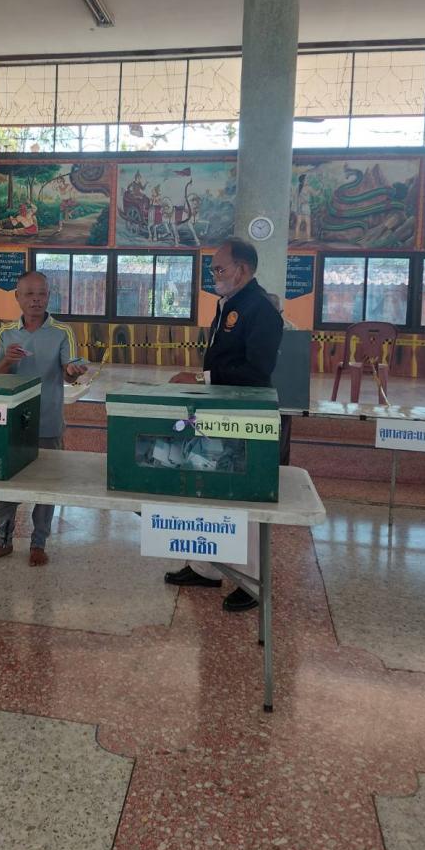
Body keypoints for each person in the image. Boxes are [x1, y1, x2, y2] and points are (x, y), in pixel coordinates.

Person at [165, 237, 286, 612]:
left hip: (245, 416)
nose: (214, 275)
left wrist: (202, 378)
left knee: (242, 495)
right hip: (219, 410)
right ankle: (206, 568)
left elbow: (257, 370)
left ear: (243, 270)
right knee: (210, 483)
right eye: (213, 269)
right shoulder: (230, 304)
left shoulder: (261, 309)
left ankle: (249, 581)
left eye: (220, 269)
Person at [0, 270, 86, 567]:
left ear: (49, 296)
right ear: (17, 297)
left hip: (48, 419)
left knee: (46, 485)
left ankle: (39, 543)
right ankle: (3, 541)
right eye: (29, 294)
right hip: (12, 422)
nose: (36, 300)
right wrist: (7, 361)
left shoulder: (63, 332)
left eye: (42, 294)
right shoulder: (6, 332)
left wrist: (73, 371)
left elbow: (69, 372)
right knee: (8, 483)